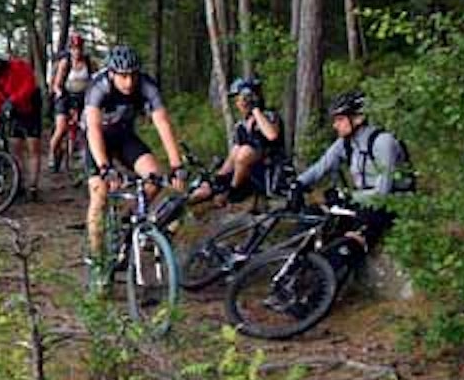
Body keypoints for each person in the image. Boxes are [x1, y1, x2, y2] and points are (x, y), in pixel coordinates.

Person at [295, 89, 414, 272]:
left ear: (358, 118)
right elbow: (322, 166)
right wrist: (298, 184)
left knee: (351, 241)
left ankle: (320, 289)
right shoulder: (346, 142)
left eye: (340, 119)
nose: (335, 125)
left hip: (391, 203)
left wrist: (349, 197)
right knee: (312, 216)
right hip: (363, 200)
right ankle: (296, 274)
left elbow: (383, 193)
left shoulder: (383, 142)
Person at [83, 45, 188, 252]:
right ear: (112, 73)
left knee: (154, 177)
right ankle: (98, 261)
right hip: (97, 138)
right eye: (123, 76)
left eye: (133, 75)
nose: (129, 82)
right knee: (99, 194)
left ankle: (127, 221)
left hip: (124, 135)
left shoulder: (146, 85)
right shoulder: (99, 86)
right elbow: (93, 128)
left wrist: (177, 165)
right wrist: (105, 167)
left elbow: (163, 124)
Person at [189, 76, 285, 205]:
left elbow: (272, 135)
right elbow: (232, 157)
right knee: (204, 190)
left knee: (244, 151)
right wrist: (216, 180)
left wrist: (255, 109)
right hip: (244, 174)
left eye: (240, 99)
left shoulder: (269, 116)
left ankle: (233, 191)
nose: (238, 104)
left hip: (268, 172)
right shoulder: (241, 126)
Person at [0, 48, 45, 200]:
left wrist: (13, 100)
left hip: (31, 107)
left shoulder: (17, 66)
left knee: (33, 146)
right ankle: (19, 184)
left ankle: (33, 186)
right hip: (14, 111)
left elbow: (29, 84)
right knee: (16, 146)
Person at [48, 32, 100, 172]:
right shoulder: (66, 63)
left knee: (87, 126)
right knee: (61, 128)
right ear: (70, 49)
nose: (77, 51)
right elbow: (57, 84)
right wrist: (59, 94)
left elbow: (97, 81)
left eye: (79, 48)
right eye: (74, 48)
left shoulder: (90, 63)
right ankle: (52, 153)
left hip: (83, 96)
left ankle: (83, 155)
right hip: (65, 96)